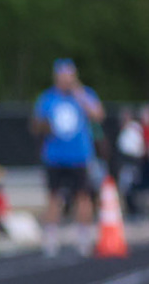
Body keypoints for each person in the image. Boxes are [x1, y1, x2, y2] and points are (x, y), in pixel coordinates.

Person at [32, 58, 104, 256]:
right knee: (54, 197)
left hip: (79, 156)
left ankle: (83, 237)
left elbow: (98, 114)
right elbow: (36, 124)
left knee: (83, 196)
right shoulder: (48, 98)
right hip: (55, 156)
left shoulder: (83, 95)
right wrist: (45, 126)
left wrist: (79, 93)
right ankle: (51, 238)